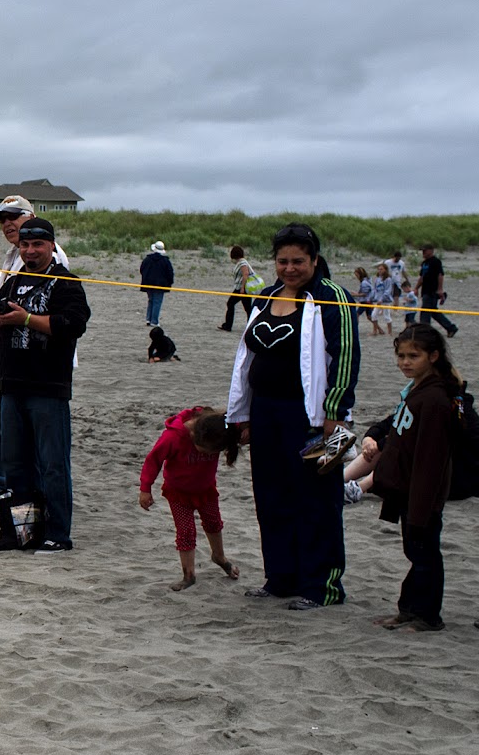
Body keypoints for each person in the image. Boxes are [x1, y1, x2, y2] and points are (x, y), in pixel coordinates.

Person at [225, 222, 360, 609]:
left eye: (298, 261)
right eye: (282, 261)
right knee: (271, 494)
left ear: (314, 260)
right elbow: (246, 357)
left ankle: (321, 585)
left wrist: (334, 410)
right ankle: (281, 577)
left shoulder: (331, 296)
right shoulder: (265, 296)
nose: (289, 268)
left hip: (311, 415)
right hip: (266, 410)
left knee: (316, 499)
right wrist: (243, 413)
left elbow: (346, 356)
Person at [0, 217, 91, 553]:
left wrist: (26, 319)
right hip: (12, 383)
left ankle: (58, 533)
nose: (30, 251)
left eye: (37, 245)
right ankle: (24, 531)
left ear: (51, 246)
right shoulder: (13, 281)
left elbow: (72, 324)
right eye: (25, 245)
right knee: (15, 464)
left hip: (48, 385)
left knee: (53, 463)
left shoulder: (66, 283)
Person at [363, 325, 462, 633]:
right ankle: (408, 609)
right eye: (401, 355)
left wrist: (421, 507)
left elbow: (430, 461)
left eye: (413, 356)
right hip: (406, 490)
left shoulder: (435, 399)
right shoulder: (417, 391)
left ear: (433, 356)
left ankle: (428, 616)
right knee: (415, 551)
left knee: (425, 553)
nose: (405, 362)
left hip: (422, 497)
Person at [139, 406, 240, 591]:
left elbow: (237, 420)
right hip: (178, 493)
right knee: (185, 532)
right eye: (206, 451)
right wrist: (145, 488)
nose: (209, 455)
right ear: (194, 437)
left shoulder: (218, 426)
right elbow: (153, 460)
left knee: (214, 523)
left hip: (206, 490)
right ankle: (189, 575)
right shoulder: (173, 437)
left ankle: (219, 557)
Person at [0, 196, 69, 277]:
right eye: (2, 220)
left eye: (12, 217)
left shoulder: (48, 254)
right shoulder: (14, 252)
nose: (7, 223)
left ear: (31, 217)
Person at [413, 243, 458, 337]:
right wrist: (416, 288)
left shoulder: (436, 262)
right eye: (422, 251)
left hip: (432, 290)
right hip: (425, 290)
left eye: (425, 251)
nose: (423, 253)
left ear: (431, 250)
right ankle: (450, 327)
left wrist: (440, 289)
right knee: (433, 311)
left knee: (425, 311)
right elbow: (422, 277)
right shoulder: (424, 263)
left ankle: (424, 330)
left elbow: (440, 275)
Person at [218, 246, 261, 331]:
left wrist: (242, 288)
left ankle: (229, 325)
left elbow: (245, 274)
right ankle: (250, 326)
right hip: (242, 288)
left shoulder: (242, 263)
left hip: (242, 288)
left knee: (233, 304)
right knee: (247, 308)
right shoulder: (242, 262)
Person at [139, 241, 174, 328]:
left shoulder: (147, 259)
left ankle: (148, 319)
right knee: (157, 302)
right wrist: (170, 282)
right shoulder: (165, 261)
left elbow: (141, 269)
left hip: (148, 284)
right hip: (160, 285)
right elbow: (170, 273)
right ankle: (154, 321)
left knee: (151, 301)